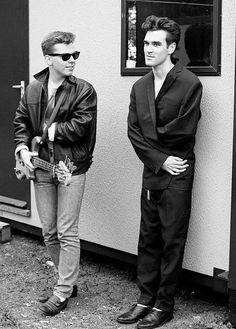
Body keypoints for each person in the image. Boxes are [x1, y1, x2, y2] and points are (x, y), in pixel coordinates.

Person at [117, 16, 202, 328]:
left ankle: (164, 305)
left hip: (178, 172)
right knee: (148, 237)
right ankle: (144, 299)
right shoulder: (139, 86)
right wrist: (159, 158)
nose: (147, 49)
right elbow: (132, 132)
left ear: (171, 47)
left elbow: (184, 129)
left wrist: (160, 151)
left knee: (172, 240)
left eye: (155, 44)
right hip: (155, 169)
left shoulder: (190, 83)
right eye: (145, 43)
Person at [13, 31, 97, 316]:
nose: (72, 60)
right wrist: (23, 149)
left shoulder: (84, 90)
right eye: (66, 55)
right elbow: (21, 122)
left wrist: (49, 131)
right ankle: (67, 281)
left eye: (76, 54)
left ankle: (62, 291)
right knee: (49, 231)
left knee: (66, 231)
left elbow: (80, 127)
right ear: (48, 59)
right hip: (41, 168)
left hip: (70, 168)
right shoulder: (34, 89)